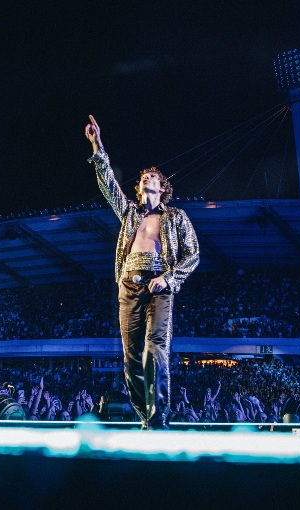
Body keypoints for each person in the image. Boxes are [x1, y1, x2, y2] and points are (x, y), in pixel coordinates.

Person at [84, 114, 200, 430]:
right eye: (144, 176)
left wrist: (169, 278)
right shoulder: (130, 215)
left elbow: (193, 254)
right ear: (139, 188)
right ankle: (146, 416)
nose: (148, 176)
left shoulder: (176, 216)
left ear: (163, 187)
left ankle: (159, 417)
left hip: (159, 284)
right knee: (131, 360)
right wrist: (98, 145)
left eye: (153, 176)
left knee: (155, 350)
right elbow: (109, 186)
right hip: (128, 285)